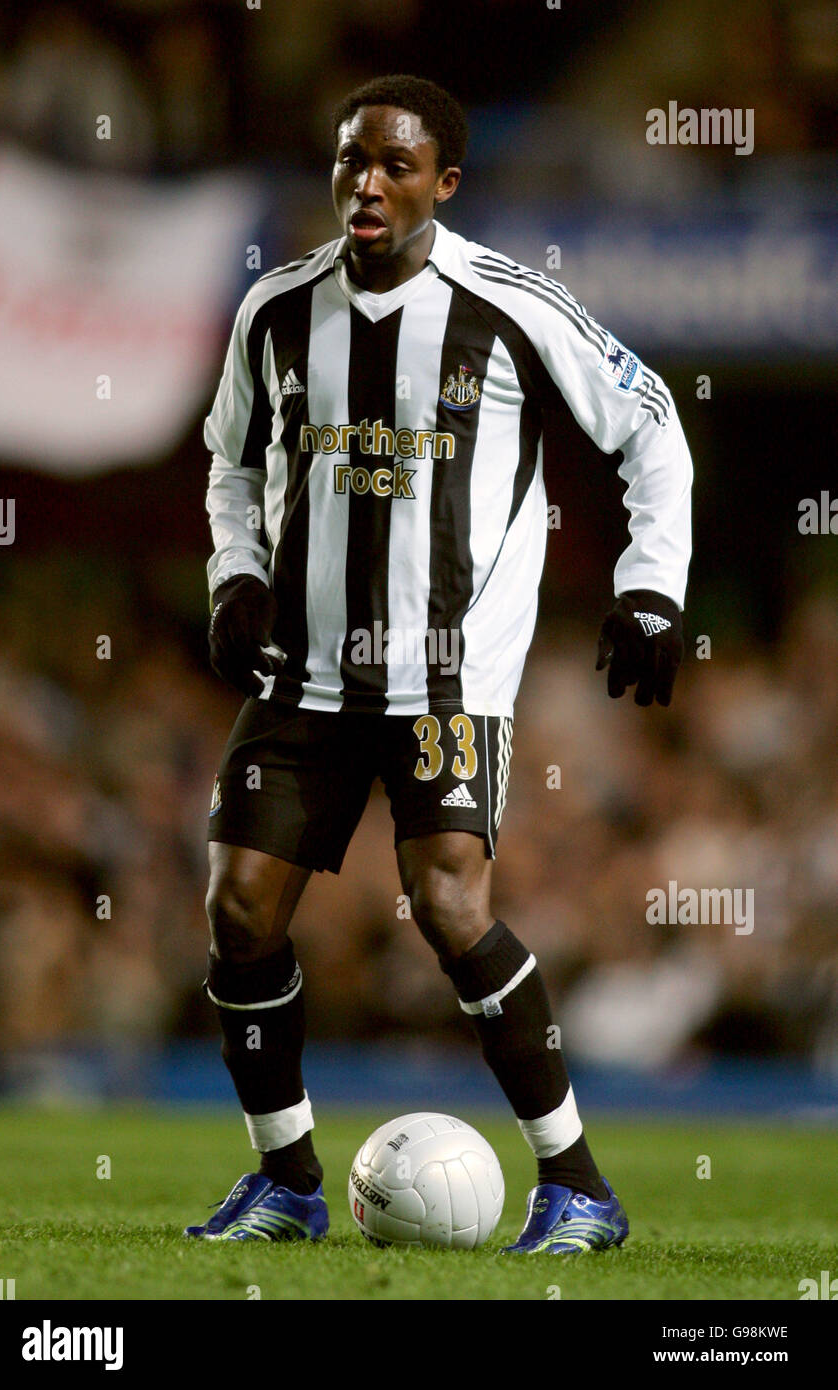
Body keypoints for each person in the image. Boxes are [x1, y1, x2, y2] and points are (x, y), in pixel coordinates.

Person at [185, 74, 692, 1252]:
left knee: (451, 903)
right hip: (301, 674)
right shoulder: (272, 309)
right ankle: (287, 1181)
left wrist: (649, 586)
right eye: (350, 160)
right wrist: (237, 574)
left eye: (395, 165)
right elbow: (227, 461)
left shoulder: (509, 305)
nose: (365, 183)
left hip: (444, 681)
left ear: (443, 184)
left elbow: (651, 422)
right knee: (239, 909)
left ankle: (577, 1186)